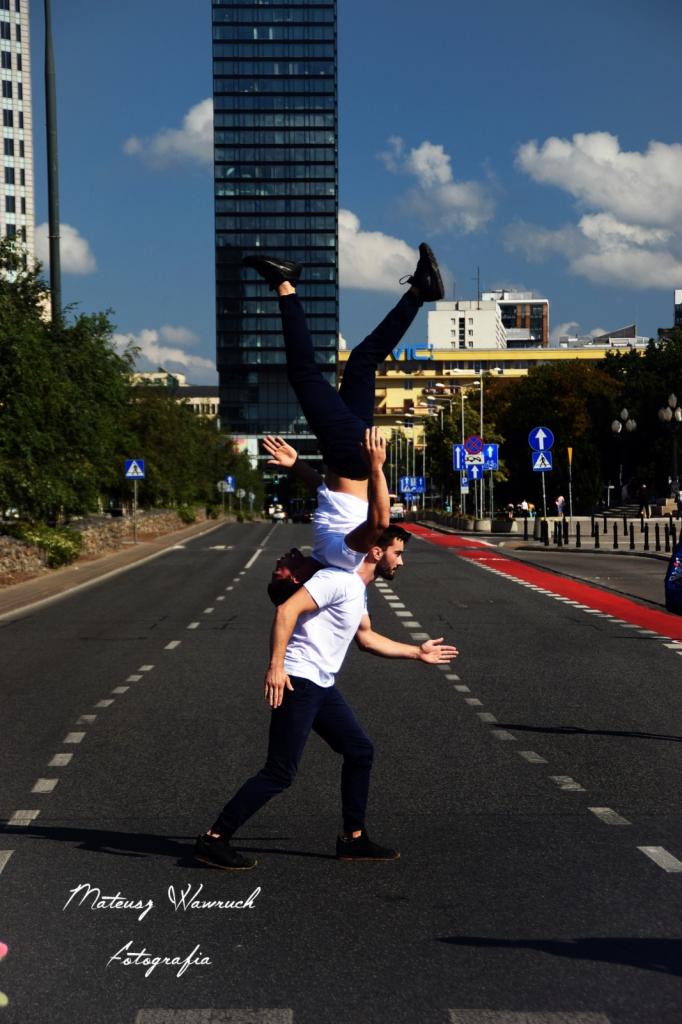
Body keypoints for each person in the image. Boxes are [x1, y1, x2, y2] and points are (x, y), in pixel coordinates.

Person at [194, 526, 459, 870]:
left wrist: (415, 652)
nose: (401, 562)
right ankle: (214, 839)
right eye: (398, 553)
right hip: (298, 680)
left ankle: (354, 839)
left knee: (359, 750)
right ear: (377, 553)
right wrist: (276, 666)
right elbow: (286, 611)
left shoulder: (358, 590)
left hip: (320, 685)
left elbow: (365, 638)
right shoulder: (336, 579)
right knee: (280, 772)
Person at [244, 246, 444, 600]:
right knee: (304, 375)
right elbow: (379, 524)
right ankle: (285, 283)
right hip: (354, 457)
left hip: (347, 459)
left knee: (362, 362)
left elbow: (326, 494)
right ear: (292, 582)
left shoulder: (324, 556)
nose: (279, 562)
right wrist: (378, 468)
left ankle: (419, 291)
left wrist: (297, 466)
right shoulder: (337, 557)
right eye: (279, 571)